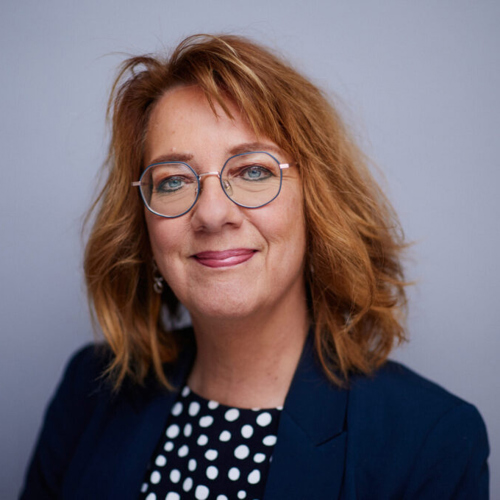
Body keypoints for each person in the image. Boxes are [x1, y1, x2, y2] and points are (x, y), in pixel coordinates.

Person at [20, 34, 489, 500]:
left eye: (253, 171)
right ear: (143, 228)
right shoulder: (90, 389)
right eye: (174, 181)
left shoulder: (430, 440)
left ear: (317, 202)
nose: (211, 214)